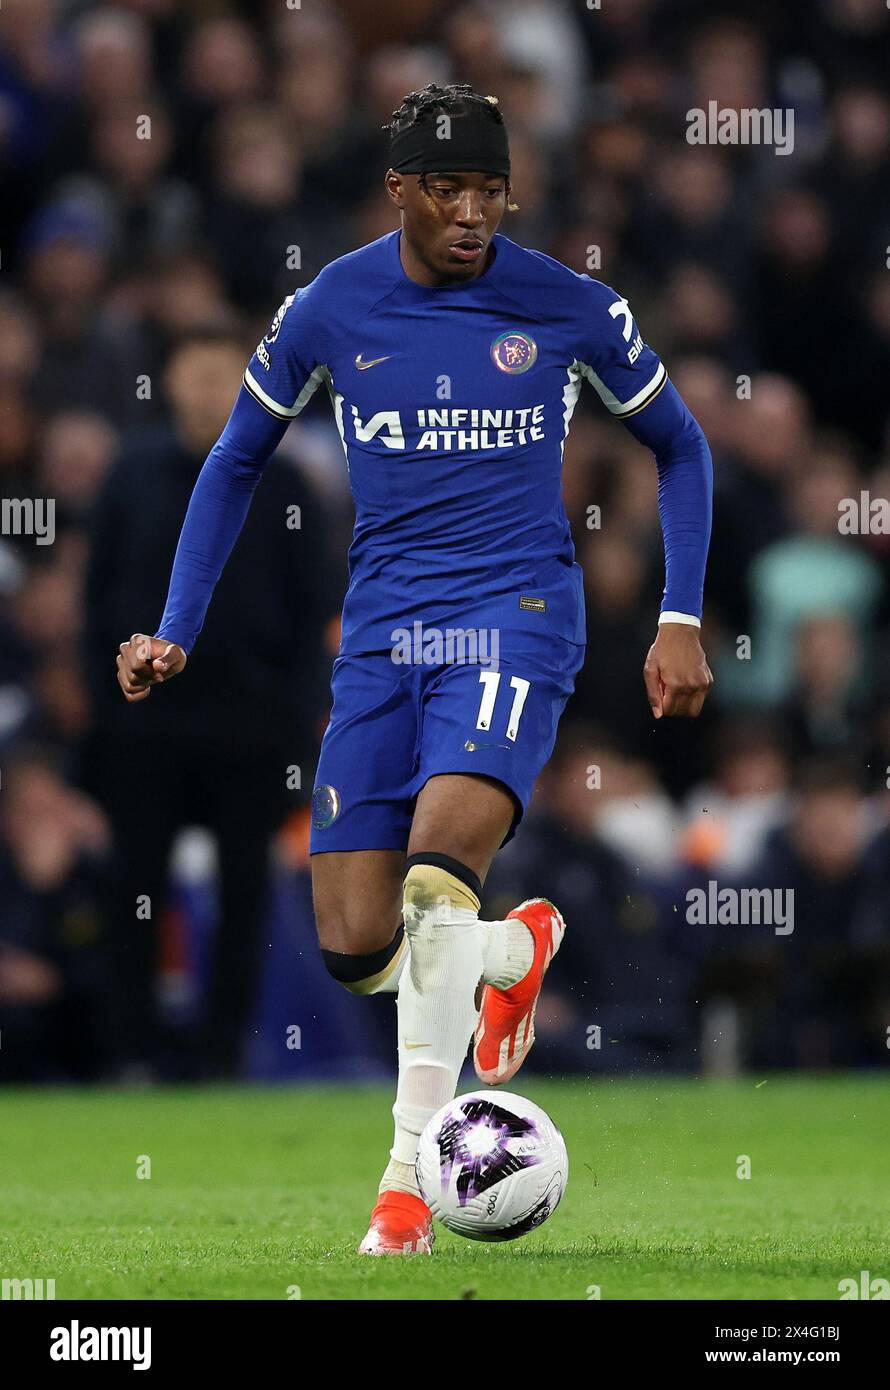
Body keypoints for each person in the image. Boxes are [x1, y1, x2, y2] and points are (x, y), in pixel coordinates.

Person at [114, 85, 713, 1252]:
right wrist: (174, 625)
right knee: (354, 945)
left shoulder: (567, 303)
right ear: (400, 191)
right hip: (384, 634)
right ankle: (511, 950)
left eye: (489, 189)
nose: (472, 212)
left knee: (437, 881)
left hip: (515, 613)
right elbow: (234, 459)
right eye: (447, 188)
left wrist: (679, 614)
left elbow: (678, 441)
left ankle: (405, 1188)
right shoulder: (329, 307)